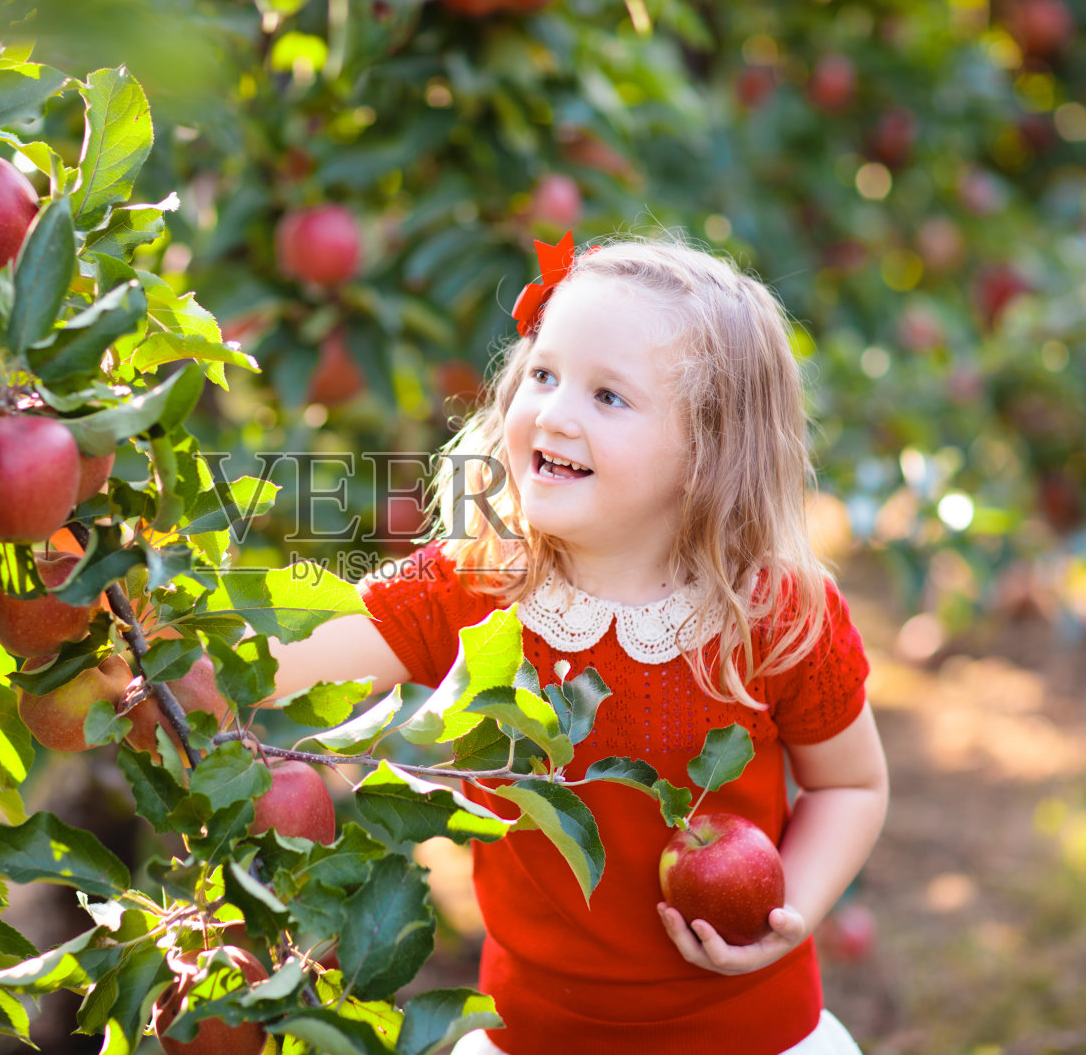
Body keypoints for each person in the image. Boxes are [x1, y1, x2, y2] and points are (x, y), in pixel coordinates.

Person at [265, 232, 889, 1054]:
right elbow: (290, 662)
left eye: (609, 396)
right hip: (536, 1035)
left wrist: (791, 909)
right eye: (545, 375)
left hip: (750, 1035)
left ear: (707, 450)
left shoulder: (771, 612)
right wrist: (138, 610)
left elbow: (850, 784)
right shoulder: (477, 584)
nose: (555, 412)